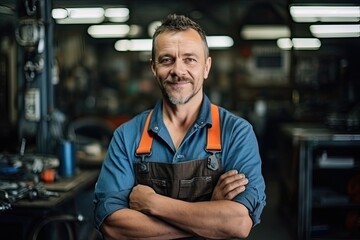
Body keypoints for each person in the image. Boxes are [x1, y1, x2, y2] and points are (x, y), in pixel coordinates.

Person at [94, 13, 266, 239]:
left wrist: (153, 203)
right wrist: (209, 216)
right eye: (167, 60)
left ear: (206, 67)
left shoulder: (236, 133)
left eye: (190, 59)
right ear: (154, 67)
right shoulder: (127, 136)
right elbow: (113, 225)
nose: (178, 70)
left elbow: (237, 222)